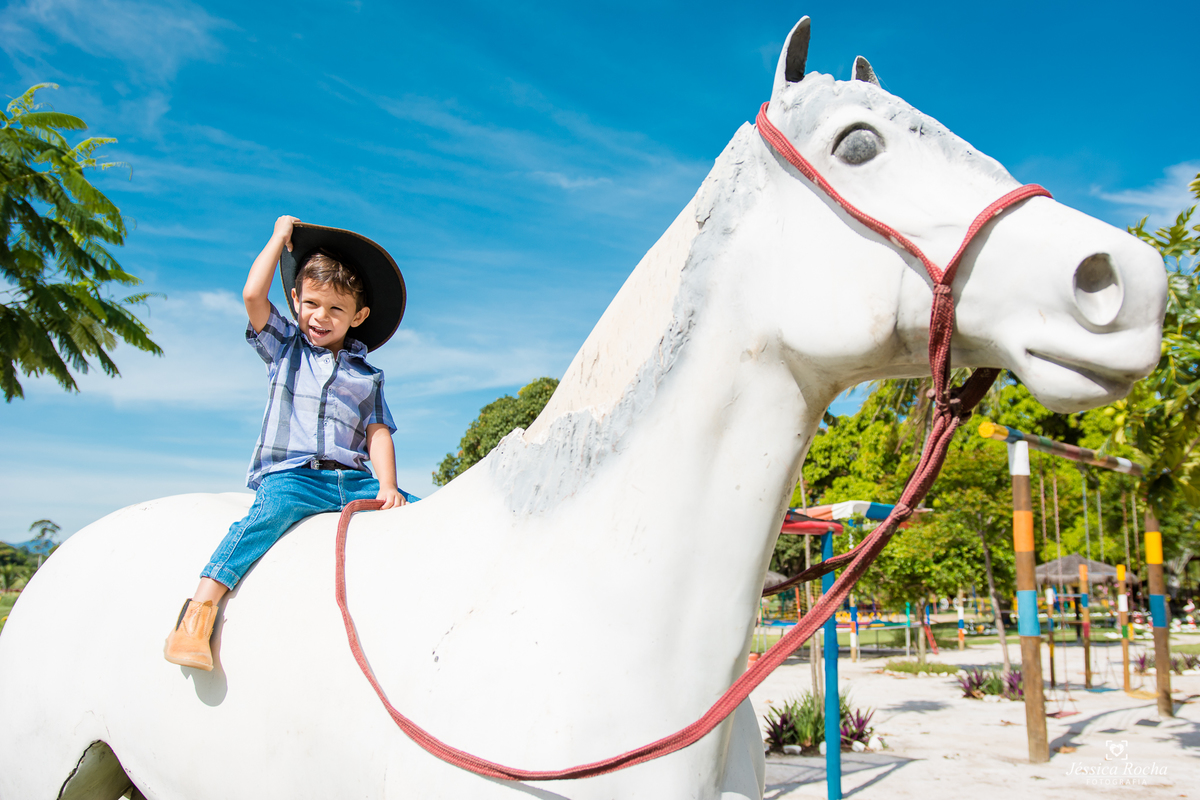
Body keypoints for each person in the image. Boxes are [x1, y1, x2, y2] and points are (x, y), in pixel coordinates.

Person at [164, 215, 411, 671]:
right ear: (296, 300)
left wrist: (388, 486)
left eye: (336, 309)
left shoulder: (366, 375)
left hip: (352, 480)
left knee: (417, 513)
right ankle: (197, 615)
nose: (321, 316)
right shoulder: (285, 347)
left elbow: (378, 432)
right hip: (294, 477)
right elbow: (252, 295)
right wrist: (280, 239)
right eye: (312, 303)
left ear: (358, 316)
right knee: (266, 515)